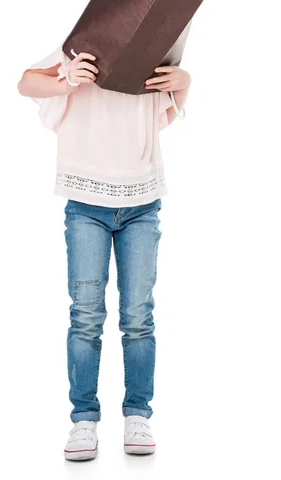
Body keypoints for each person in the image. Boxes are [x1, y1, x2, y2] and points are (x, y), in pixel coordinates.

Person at [18, 43, 191, 460]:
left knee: (138, 315)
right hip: (85, 202)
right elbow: (24, 83)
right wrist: (66, 78)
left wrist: (185, 83)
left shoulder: (154, 47)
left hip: (141, 201)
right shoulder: (81, 47)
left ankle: (138, 414)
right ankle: (83, 419)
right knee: (86, 315)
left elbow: (167, 111)